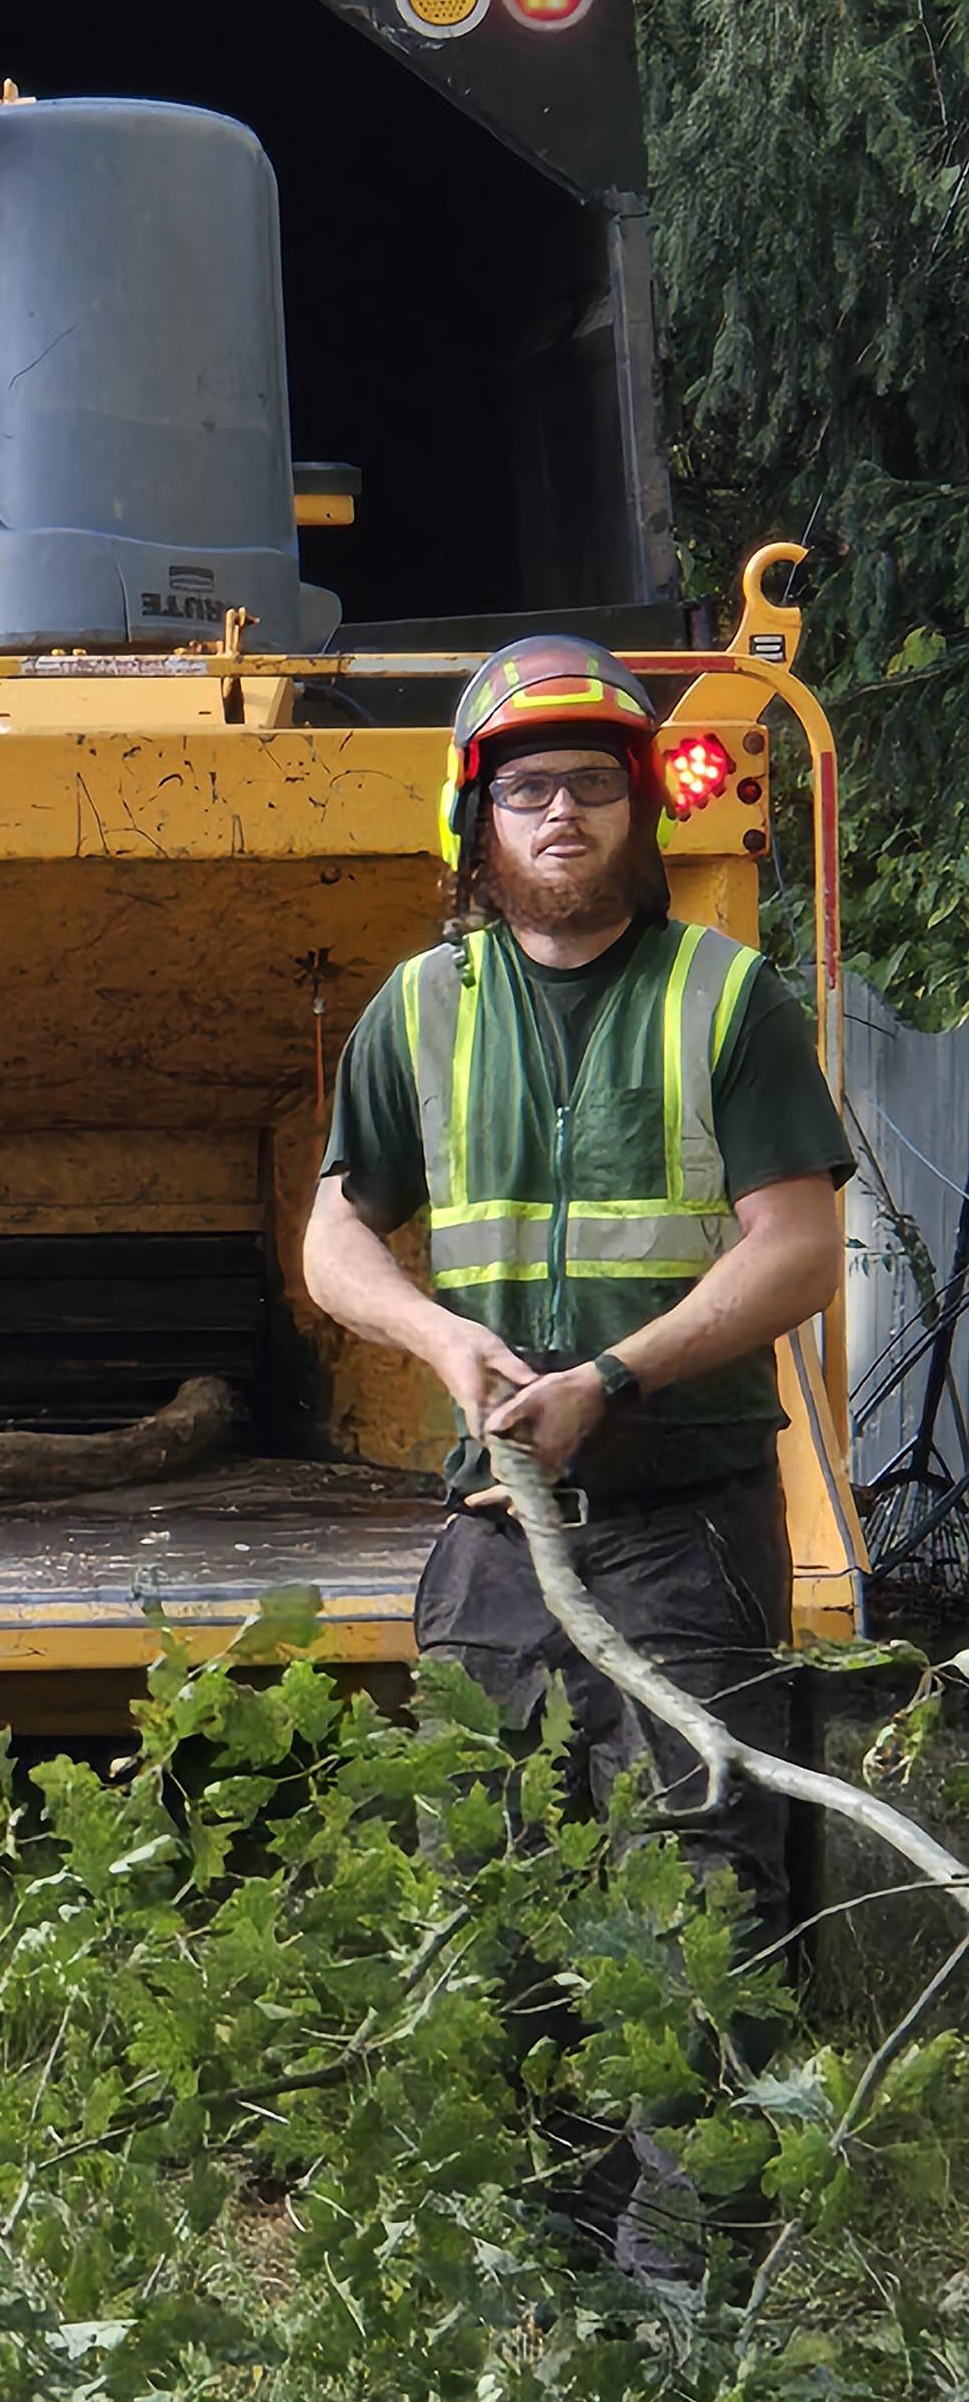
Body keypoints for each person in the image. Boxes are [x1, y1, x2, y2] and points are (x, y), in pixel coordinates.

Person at [302, 633, 850, 1930]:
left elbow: (803, 1247)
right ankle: (539, 2141)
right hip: (494, 1534)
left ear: (646, 804)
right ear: (475, 817)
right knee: (487, 1905)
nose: (563, 812)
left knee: (703, 1905)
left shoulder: (727, 1000)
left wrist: (612, 1379)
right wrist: (438, 1341)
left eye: (595, 785)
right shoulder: (420, 1007)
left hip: (689, 1532)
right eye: (529, 786)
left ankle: (680, 2142)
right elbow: (333, 1239)